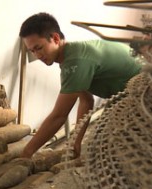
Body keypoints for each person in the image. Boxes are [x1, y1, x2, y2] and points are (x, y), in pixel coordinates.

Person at [19, 13, 141, 158]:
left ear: (56, 38)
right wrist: (76, 141)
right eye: (32, 51)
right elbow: (86, 101)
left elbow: (58, 116)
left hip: (143, 91)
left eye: (39, 48)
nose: (37, 55)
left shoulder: (75, 62)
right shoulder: (71, 57)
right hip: (127, 93)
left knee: (111, 150)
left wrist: (26, 152)